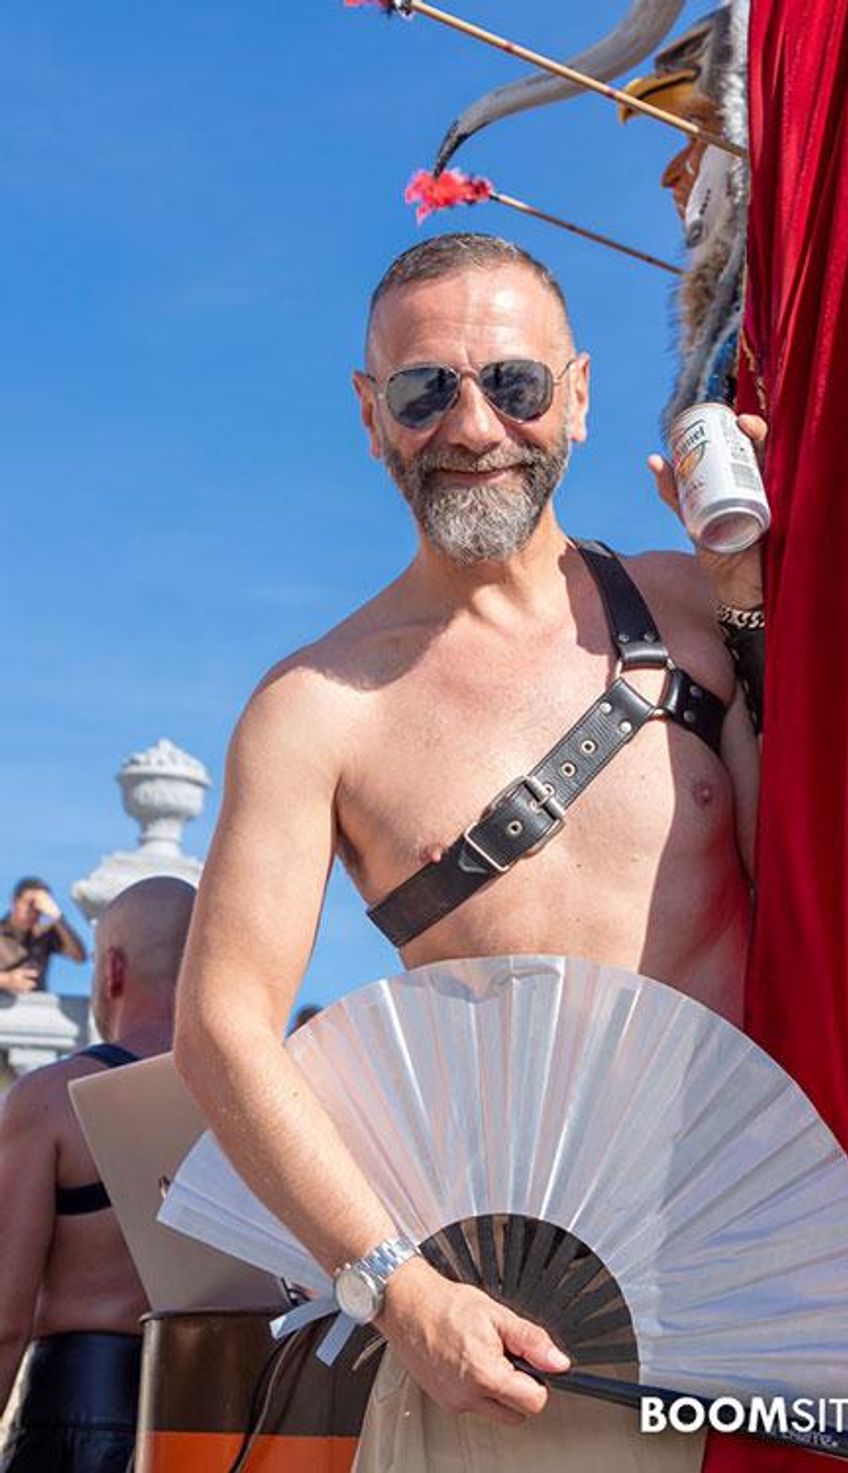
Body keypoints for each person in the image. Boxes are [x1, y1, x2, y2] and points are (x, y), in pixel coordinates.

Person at [173, 233, 765, 1445]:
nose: (474, 426)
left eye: (514, 383)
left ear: (579, 398)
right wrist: (396, 1290)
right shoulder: (313, 709)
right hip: (524, 1334)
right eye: (423, 391)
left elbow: (842, 876)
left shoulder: (701, 608)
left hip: (765, 1268)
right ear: (370, 415)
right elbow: (222, 1029)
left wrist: (757, 597)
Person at [0, 876, 196, 1473]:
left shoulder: (52, 1099)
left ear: (111, 970)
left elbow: (4, 1320)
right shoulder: (263, 1104)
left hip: (77, 1421)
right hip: (218, 1421)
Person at [0, 879, 87, 995]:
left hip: (34, 1003)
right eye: (30, 904)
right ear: (14, 902)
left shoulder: (44, 934)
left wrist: (58, 918)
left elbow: (79, 956)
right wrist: (6, 980)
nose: (34, 912)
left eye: (39, 907)